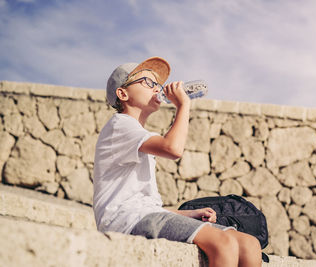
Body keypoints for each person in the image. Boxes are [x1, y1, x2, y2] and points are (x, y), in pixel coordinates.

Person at [93, 56, 262, 267]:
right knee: (224, 243)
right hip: (124, 221)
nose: (156, 88)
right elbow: (173, 148)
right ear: (123, 93)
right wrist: (183, 105)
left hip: (142, 216)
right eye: (147, 82)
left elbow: (147, 206)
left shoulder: (137, 134)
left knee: (249, 245)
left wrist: (188, 214)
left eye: (158, 84)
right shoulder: (120, 124)